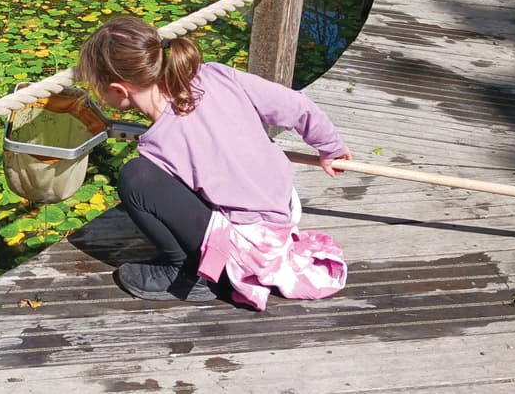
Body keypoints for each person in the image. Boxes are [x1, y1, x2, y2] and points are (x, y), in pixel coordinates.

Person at [76, 16, 352, 310]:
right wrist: (330, 148)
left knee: (137, 178)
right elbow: (297, 106)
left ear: (119, 90)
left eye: (99, 90)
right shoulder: (216, 75)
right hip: (282, 213)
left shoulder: (158, 145)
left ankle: (189, 273)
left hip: (247, 246)